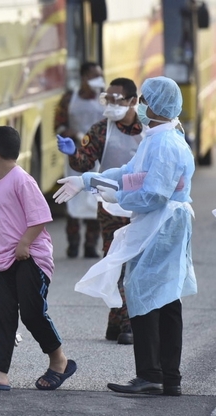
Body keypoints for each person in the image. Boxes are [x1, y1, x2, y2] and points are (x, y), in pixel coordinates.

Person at [54, 76, 196, 396]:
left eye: (144, 101)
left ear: (157, 106)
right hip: (159, 225)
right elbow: (130, 173)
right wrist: (90, 180)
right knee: (163, 298)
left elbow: (152, 194)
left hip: (160, 225)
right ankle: (165, 377)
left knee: (146, 297)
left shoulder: (163, 143)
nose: (140, 106)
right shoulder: (156, 139)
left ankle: (152, 374)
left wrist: (120, 197)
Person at [0, 126, 76, 391]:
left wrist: (24, 243)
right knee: (0, 314)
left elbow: (40, 217)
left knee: (32, 312)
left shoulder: (22, 179)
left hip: (30, 258)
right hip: (5, 259)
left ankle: (59, 360)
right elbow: (0, 220)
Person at [57, 77, 143, 345]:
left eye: (117, 99)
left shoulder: (148, 128)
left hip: (141, 206)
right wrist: (73, 153)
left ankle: (117, 323)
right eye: (108, 98)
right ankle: (126, 323)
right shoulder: (101, 129)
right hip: (110, 206)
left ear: (133, 101)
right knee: (116, 261)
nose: (111, 104)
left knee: (136, 264)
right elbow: (85, 163)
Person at [54, 62, 104, 258]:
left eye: (99, 75)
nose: (97, 80)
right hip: (75, 157)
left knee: (96, 199)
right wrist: (72, 134)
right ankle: (73, 244)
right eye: (93, 75)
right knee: (73, 199)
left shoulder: (104, 100)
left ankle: (91, 245)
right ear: (83, 78)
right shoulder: (69, 99)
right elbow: (58, 126)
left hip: (98, 157)